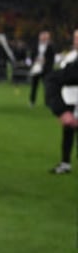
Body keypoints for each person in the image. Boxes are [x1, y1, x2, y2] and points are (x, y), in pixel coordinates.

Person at [46, 28, 78, 173]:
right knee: (69, 132)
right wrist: (61, 110)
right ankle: (65, 162)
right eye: (75, 38)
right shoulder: (71, 58)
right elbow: (54, 79)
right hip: (70, 99)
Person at [29, 30, 56, 107]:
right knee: (34, 86)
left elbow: (52, 59)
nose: (44, 38)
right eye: (43, 37)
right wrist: (35, 60)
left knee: (47, 86)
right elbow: (31, 56)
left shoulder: (51, 46)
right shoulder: (35, 45)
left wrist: (45, 61)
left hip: (46, 69)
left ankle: (47, 102)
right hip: (36, 68)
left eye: (46, 37)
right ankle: (32, 101)